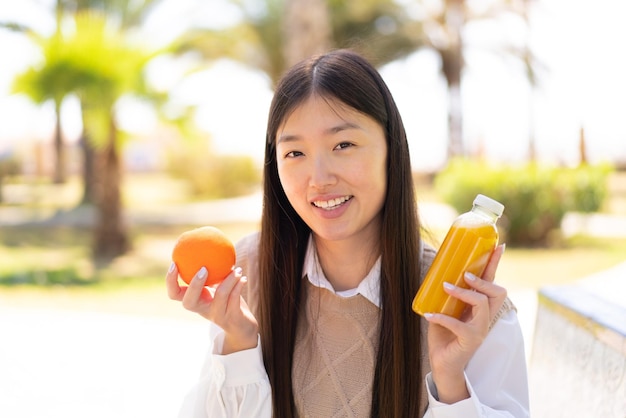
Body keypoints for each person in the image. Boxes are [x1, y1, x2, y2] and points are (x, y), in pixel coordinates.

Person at [166, 49, 529, 417]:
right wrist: (239, 343)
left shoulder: (463, 304)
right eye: (295, 153)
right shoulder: (248, 273)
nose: (320, 178)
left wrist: (450, 381)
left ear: (392, 149)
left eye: (344, 145)